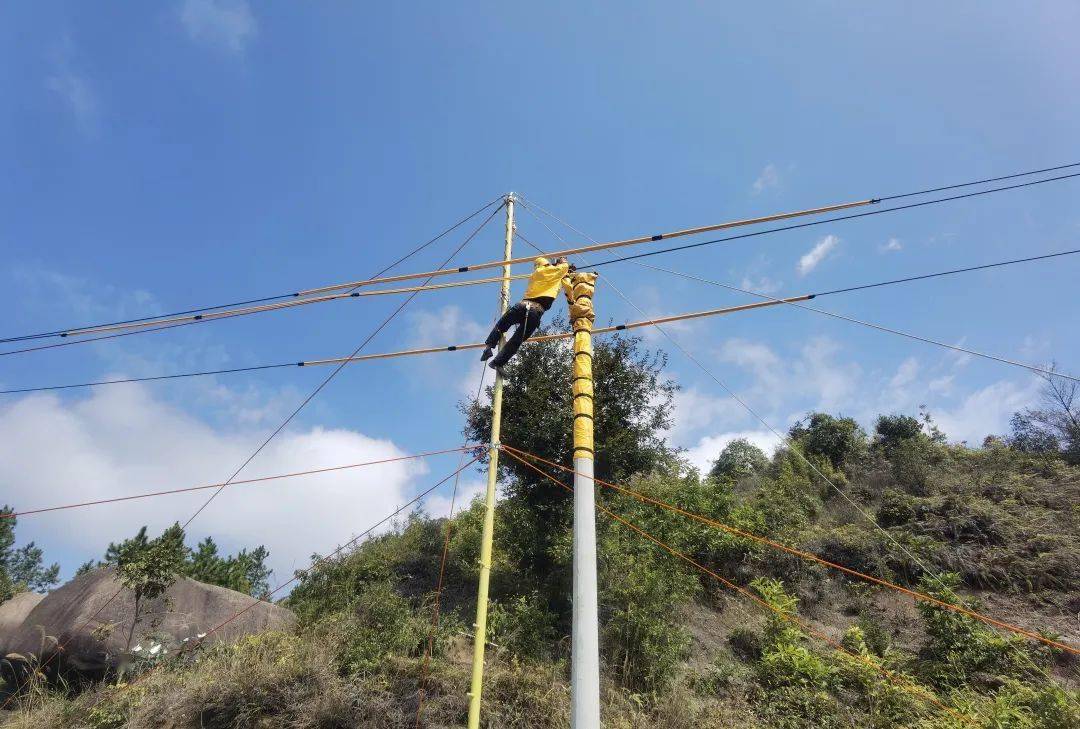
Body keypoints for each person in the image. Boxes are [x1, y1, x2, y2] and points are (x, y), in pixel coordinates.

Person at [480, 256, 575, 373]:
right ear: (547, 264)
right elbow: (568, 285)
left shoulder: (536, 273)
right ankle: (497, 363)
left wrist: (563, 270)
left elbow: (557, 271)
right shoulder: (555, 271)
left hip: (522, 305)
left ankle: (489, 347)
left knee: (502, 325)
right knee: (517, 340)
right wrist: (565, 268)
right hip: (536, 312)